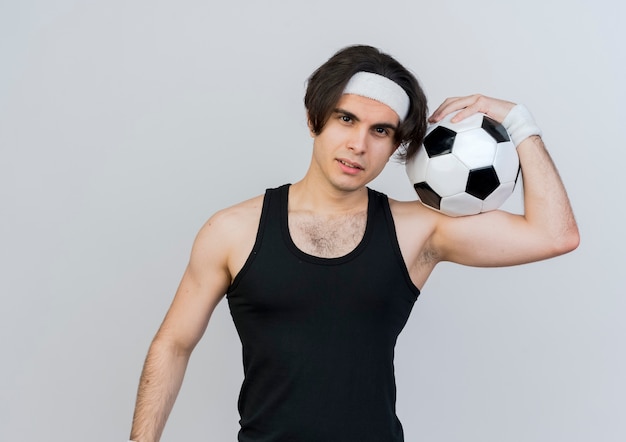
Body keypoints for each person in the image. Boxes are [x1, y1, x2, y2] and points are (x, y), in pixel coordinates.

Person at [129, 45, 579, 441]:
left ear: (398, 145)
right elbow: (173, 344)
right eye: (346, 119)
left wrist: (519, 123)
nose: (358, 144)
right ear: (314, 120)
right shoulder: (232, 230)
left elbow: (555, 234)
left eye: (380, 131)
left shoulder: (419, 230)